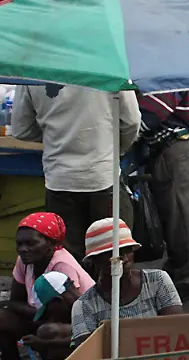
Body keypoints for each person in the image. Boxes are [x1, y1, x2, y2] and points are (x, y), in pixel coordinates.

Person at [10, 85, 140, 259]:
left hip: (60, 180)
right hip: (103, 176)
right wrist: (115, 149)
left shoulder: (32, 68)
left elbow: (21, 129)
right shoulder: (111, 62)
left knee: (68, 262)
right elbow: (131, 122)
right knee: (113, 257)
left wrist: (56, 137)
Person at [0, 213, 93, 360]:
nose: (23, 249)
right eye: (20, 244)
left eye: (31, 243)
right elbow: (15, 302)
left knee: (47, 332)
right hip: (39, 317)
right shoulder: (24, 260)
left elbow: (72, 311)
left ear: (51, 243)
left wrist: (40, 325)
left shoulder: (62, 266)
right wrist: (39, 314)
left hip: (76, 323)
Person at [71, 219, 182, 345]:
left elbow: (176, 330)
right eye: (112, 253)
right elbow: (89, 353)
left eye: (126, 249)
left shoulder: (158, 280)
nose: (122, 257)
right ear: (94, 259)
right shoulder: (84, 306)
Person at [138, 93, 189, 296]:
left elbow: (150, 114)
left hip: (172, 147)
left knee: (181, 216)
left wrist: (124, 128)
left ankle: (187, 278)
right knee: (174, 215)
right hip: (166, 149)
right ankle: (180, 270)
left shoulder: (164, 78)